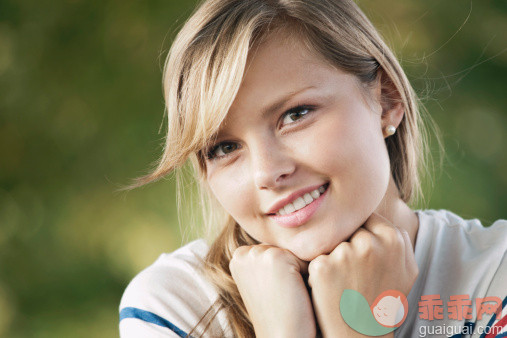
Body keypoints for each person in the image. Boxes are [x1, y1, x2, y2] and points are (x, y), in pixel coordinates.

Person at [118, 0, 507, 337]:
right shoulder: (176, 309)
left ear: (387, 100)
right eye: (224, 148)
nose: (267, 172)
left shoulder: (495, 277)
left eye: (296, 114)